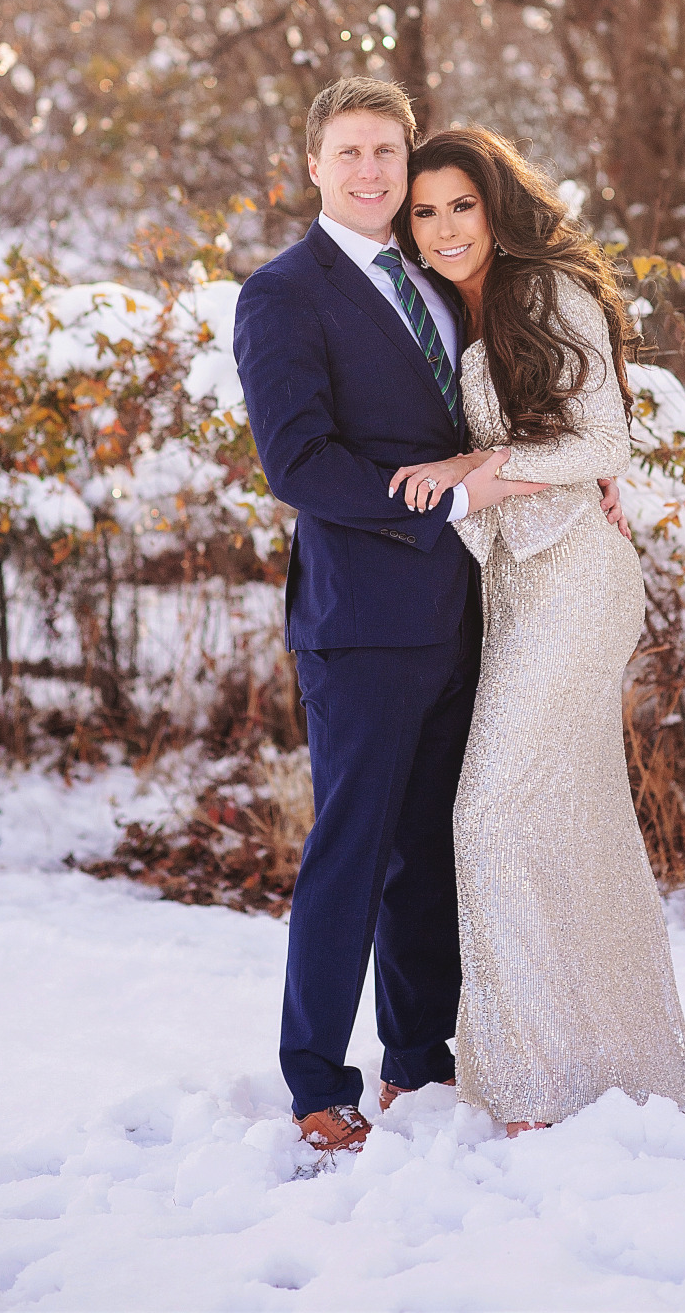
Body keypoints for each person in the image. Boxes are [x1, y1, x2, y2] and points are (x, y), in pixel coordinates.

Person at [232, 79, 548, 1155]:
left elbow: (498, 410)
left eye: (386, 152)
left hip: (459, 611)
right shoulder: (284, 292)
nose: (370, 171)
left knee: (428, 847)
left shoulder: (438, 275)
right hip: (360, 619)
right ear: (312, 162)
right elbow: (299, 463)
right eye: (348, 151)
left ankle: (419, 1057)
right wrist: (449, 494)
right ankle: (318, 1079)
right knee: (351, 851)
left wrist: (568, 468)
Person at [390, 127, 685, 1135]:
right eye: (424, 210)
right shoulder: (449, 308)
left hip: (576, 582)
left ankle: (529, 1089)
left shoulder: (543, 290)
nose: (442, 227)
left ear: (493, 206)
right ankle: (610, 1059)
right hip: (514, 593)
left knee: (488, 812)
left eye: (459, 205)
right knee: (566, 824)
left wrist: (472, 474)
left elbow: (605, 436)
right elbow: (556, 441)